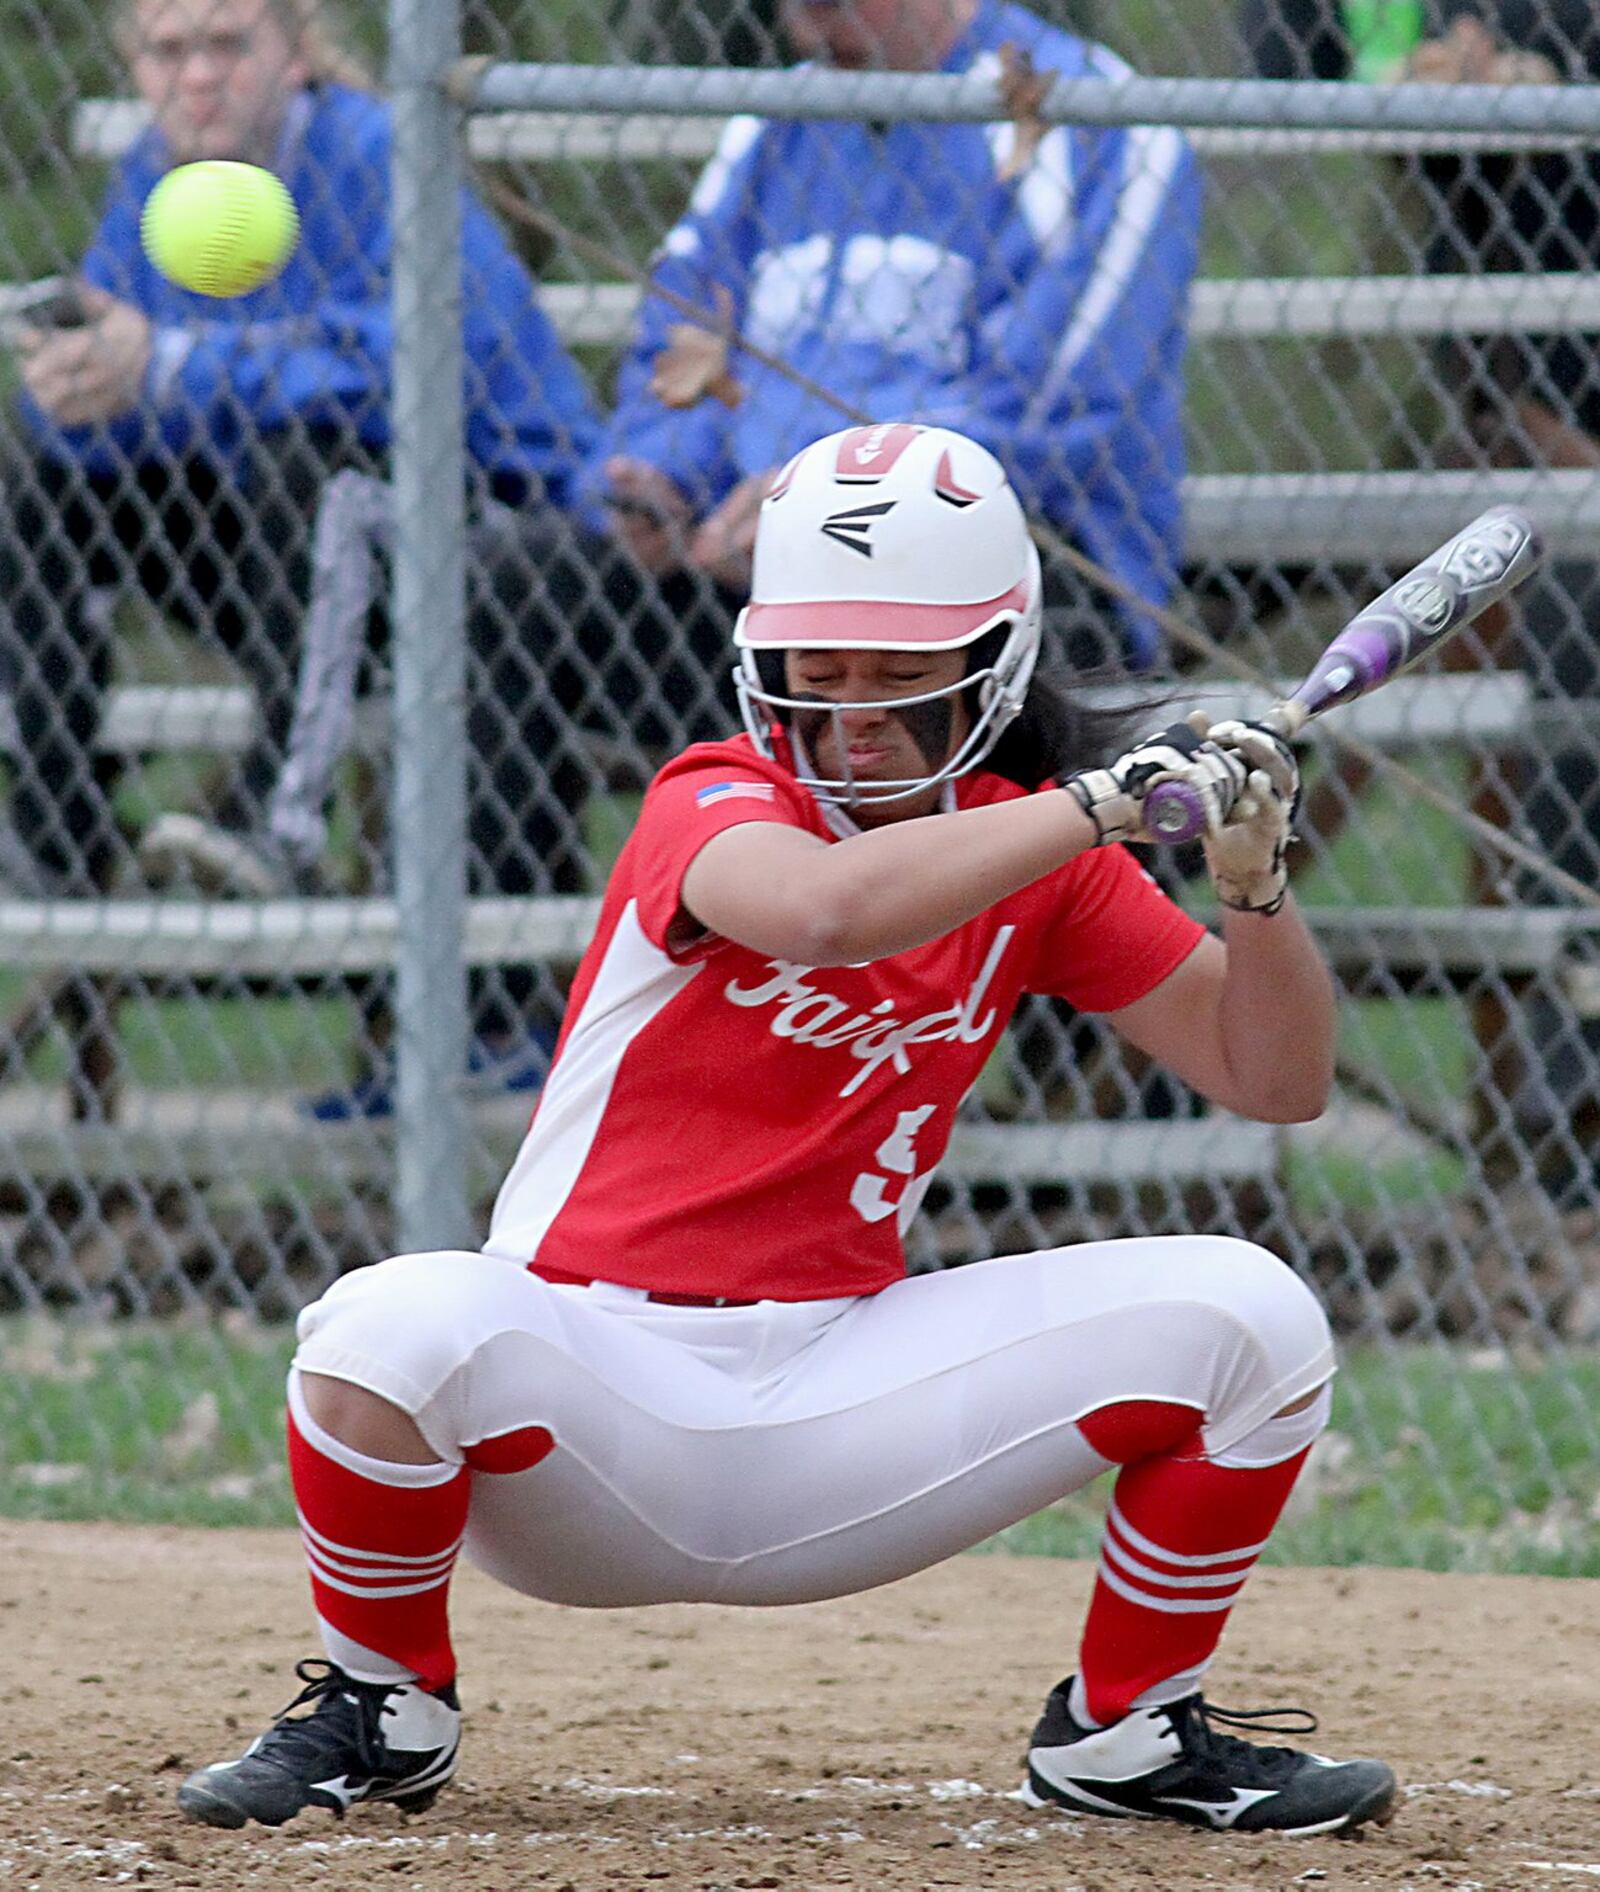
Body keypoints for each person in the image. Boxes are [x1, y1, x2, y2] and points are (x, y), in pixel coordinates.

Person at [174, 424, 1396, 1840]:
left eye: (898, 676)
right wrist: (1101, 806)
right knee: (384, 1330)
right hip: (588, 1399)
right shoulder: (713, 798)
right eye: (820, 674)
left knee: (1252, 1315)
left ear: (990, 669)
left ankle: (1127, 1731)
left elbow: (1277, 1076)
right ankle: (387, 1705)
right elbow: (827, 911)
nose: (854, 713)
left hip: (840, 1399)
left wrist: (1256, 887)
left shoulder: (1038, 853)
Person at [0, 0, 602, 1100]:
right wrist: (74, 389)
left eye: (228, 44)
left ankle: (277, 825)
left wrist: (176, 366)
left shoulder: (373, 149)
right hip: (284, 561)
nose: (198, 77)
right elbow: (120, 405)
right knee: (29, 474)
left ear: (294, 49)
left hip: (481, 535)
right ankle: (57, 828)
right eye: (168, 50)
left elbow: (418, 370)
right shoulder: (155, 173)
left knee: (309, 462)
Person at [1240, 0, 1600, 1198]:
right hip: (1449, 411)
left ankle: (1544, 1135)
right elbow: (1278, 79)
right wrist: (1412, 86)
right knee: (1517, 622)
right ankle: (1545, 1135)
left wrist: (1554, 75)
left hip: (1514, 414)